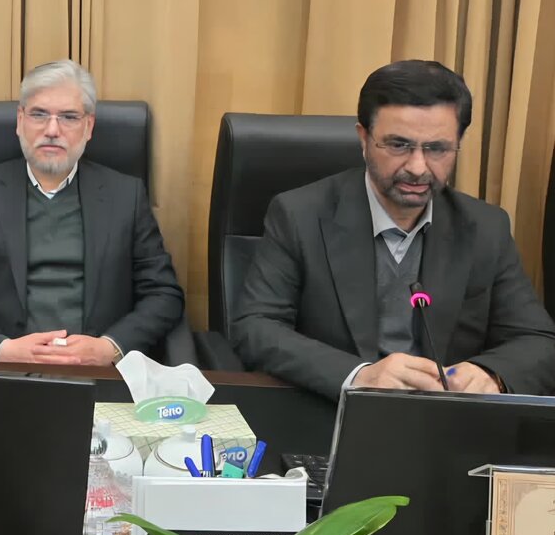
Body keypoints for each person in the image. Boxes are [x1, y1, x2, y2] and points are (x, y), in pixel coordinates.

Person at [231, 59, 555, 399]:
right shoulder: (300, 214)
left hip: (444, 418)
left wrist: (491, 373)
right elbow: (255, 328)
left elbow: (539, 341)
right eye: (399, 145)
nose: (418, 167)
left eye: (437, 148)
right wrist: (358, 375)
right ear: (364, 139)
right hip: (333, 412)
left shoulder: (485, 227)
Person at [0, 59, 184, 365]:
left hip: (97, 374)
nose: (52, 130)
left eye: (69, 117)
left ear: (89, 126)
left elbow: (164, 295)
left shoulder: (126, 196)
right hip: (5, 373)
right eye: (39, 114)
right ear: (20, 121)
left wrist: (109, 348)